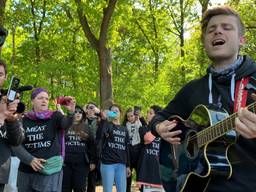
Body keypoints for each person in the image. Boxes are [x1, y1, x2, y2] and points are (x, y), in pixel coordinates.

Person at [150, 6, 256, 192]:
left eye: (226, 27)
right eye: (211, 29)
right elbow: (158, 117)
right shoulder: (192, 89)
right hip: (196, 186)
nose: (217, 31)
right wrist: (159, 127)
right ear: (205, 42)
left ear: (242, 40)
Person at [12, 88, 76, 192]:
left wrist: (71, 112)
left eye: (46, 98)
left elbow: (65, 124)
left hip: (49, 172)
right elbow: (16, 144)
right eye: (40, 98)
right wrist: (30, 160)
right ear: (32, 101)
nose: (44, 100)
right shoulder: (24, 120)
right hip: (26, 172)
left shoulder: (55, 116)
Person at [0, 58, 24, 192]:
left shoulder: (8, 102)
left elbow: (16, 141)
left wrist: (12, 120)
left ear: (5, 77)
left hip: (1, 171)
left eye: (0, 74)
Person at [62, 105, 96, 192]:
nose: (77, 113)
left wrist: (92, 161)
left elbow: (92, 146)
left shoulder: (87, 128)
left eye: (80, 112)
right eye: (75, 111)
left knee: (80, 188)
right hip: (65, 163)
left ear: (83, 115)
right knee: (65, 188)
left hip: (81, 164)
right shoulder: (65, 127)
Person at [97, 104, 131, 192]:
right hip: (108, 163)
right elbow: (100, 135)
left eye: (117, 110)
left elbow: (126, 148)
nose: (115, 112)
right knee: (108, 190)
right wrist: (105, 120)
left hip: (121, 164)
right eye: (112, 111)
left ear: (120, 113)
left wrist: (128, 165)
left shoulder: (125, 129)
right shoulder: (107, 125)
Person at [136, 105, 163, 192]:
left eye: (150, 113)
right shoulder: (142, 129)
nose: (147, 114)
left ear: (157, 117)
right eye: (148, 112)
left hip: (161, 175)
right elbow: (148, 138)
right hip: (146, 173)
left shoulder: (165, 131)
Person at [122, 107, 143, 192]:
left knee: (140, 177)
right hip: (129, 153)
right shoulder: (125, 125)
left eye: (131, 116)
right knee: (128, 177)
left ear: (135, 116)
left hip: (138, 152)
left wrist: (140, 118)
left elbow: (144, 130)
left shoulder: (140, 123)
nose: (130, 118)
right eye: (128, 116)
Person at [84, 102, 101, 192]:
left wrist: (99, 112)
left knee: (92, 180)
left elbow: (112, 116)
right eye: (89, 108)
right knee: (81, 180)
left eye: (92, 108)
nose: (91, 110)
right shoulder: (82, 119)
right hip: (83, 151)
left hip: (95, 152)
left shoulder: (100, 120)